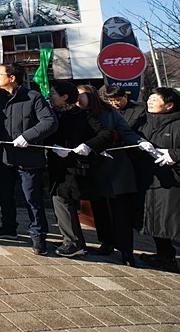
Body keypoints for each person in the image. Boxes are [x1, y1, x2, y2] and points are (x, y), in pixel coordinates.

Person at [0, 62, 58, 255]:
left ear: (12, 78)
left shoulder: (33, 96)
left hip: (29, 159)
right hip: (4, 156)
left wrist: (28, 136)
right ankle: (8, 228)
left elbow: (50, 122)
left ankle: (38, 236)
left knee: (32, 198)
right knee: (5, 196)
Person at [45, 81, 112, 258]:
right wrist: (53, 146)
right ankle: (70, 239)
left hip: (76, 167)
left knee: (64, 200)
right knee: (60, 200)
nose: (50, 96)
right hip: (57, 165)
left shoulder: (83, 116)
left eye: (53, 93)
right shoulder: (51, 115)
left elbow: (105, 134)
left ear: (65, 97)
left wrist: (88, 146)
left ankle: (74, 243)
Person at [138, 87, 180, 287]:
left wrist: (175, 154)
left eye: (155, 99)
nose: (150, 101)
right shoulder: (146, 123)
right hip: (153, 182)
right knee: (156, 220)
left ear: (169, 105)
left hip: (178, 183)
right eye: (150, 97)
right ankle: (165, 256)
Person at [78, 84, 144, 266]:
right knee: (99, 207)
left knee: (120, 209)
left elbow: (126, 132)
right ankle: (106, 242)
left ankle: (126, 250)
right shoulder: (77, 114)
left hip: (116, 163)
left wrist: (140, 142)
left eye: (81, 95)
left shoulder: (109, 112)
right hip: (93, 164)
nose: (78, 99)